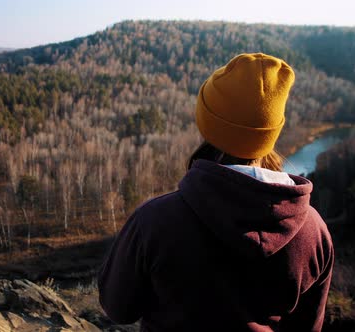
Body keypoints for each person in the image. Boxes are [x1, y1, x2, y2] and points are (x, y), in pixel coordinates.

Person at [97, 53, 334, 331]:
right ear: (271, 133)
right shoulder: (313, 232)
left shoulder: (154, 222)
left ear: (208, 126)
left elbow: (118, 308)